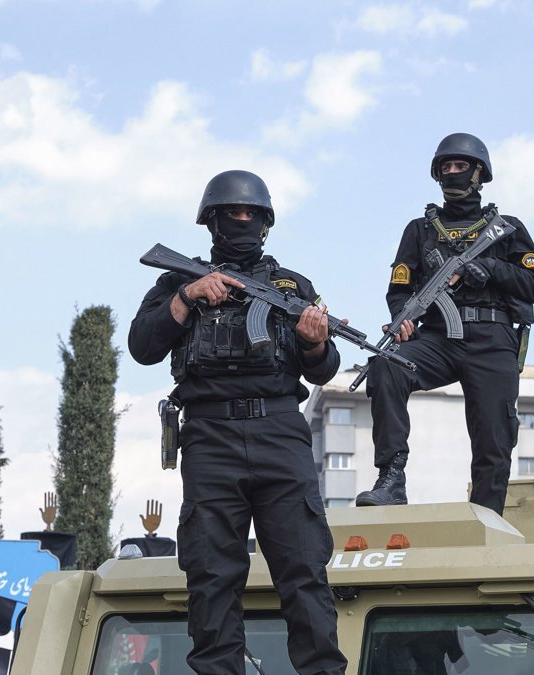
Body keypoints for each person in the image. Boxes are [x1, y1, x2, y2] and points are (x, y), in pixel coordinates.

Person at [128, 170, 348, 675]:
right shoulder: (176, 280)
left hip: (279, 432)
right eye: (232, 214)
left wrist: (315, 340)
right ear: (211, 221)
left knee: (304, 571)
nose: (242, 221)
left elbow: (323, 368)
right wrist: (188, 297)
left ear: (266, 223)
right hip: (209, 437)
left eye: (252, 215)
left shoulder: (293, 286)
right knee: (211, 575)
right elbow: (143, 346)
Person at [355, 133, 534, 516]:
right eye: (446, 168)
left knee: (494, 439)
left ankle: (487, 520)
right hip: (438, 338)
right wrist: (402, 320)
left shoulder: (507, 228)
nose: (453, 174)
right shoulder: (420, 230)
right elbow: (399, 289)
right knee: (386, 364)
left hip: (493, 339)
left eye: (461, 167)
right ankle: (391, 479)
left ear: (478, 174)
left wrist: (490, 268)